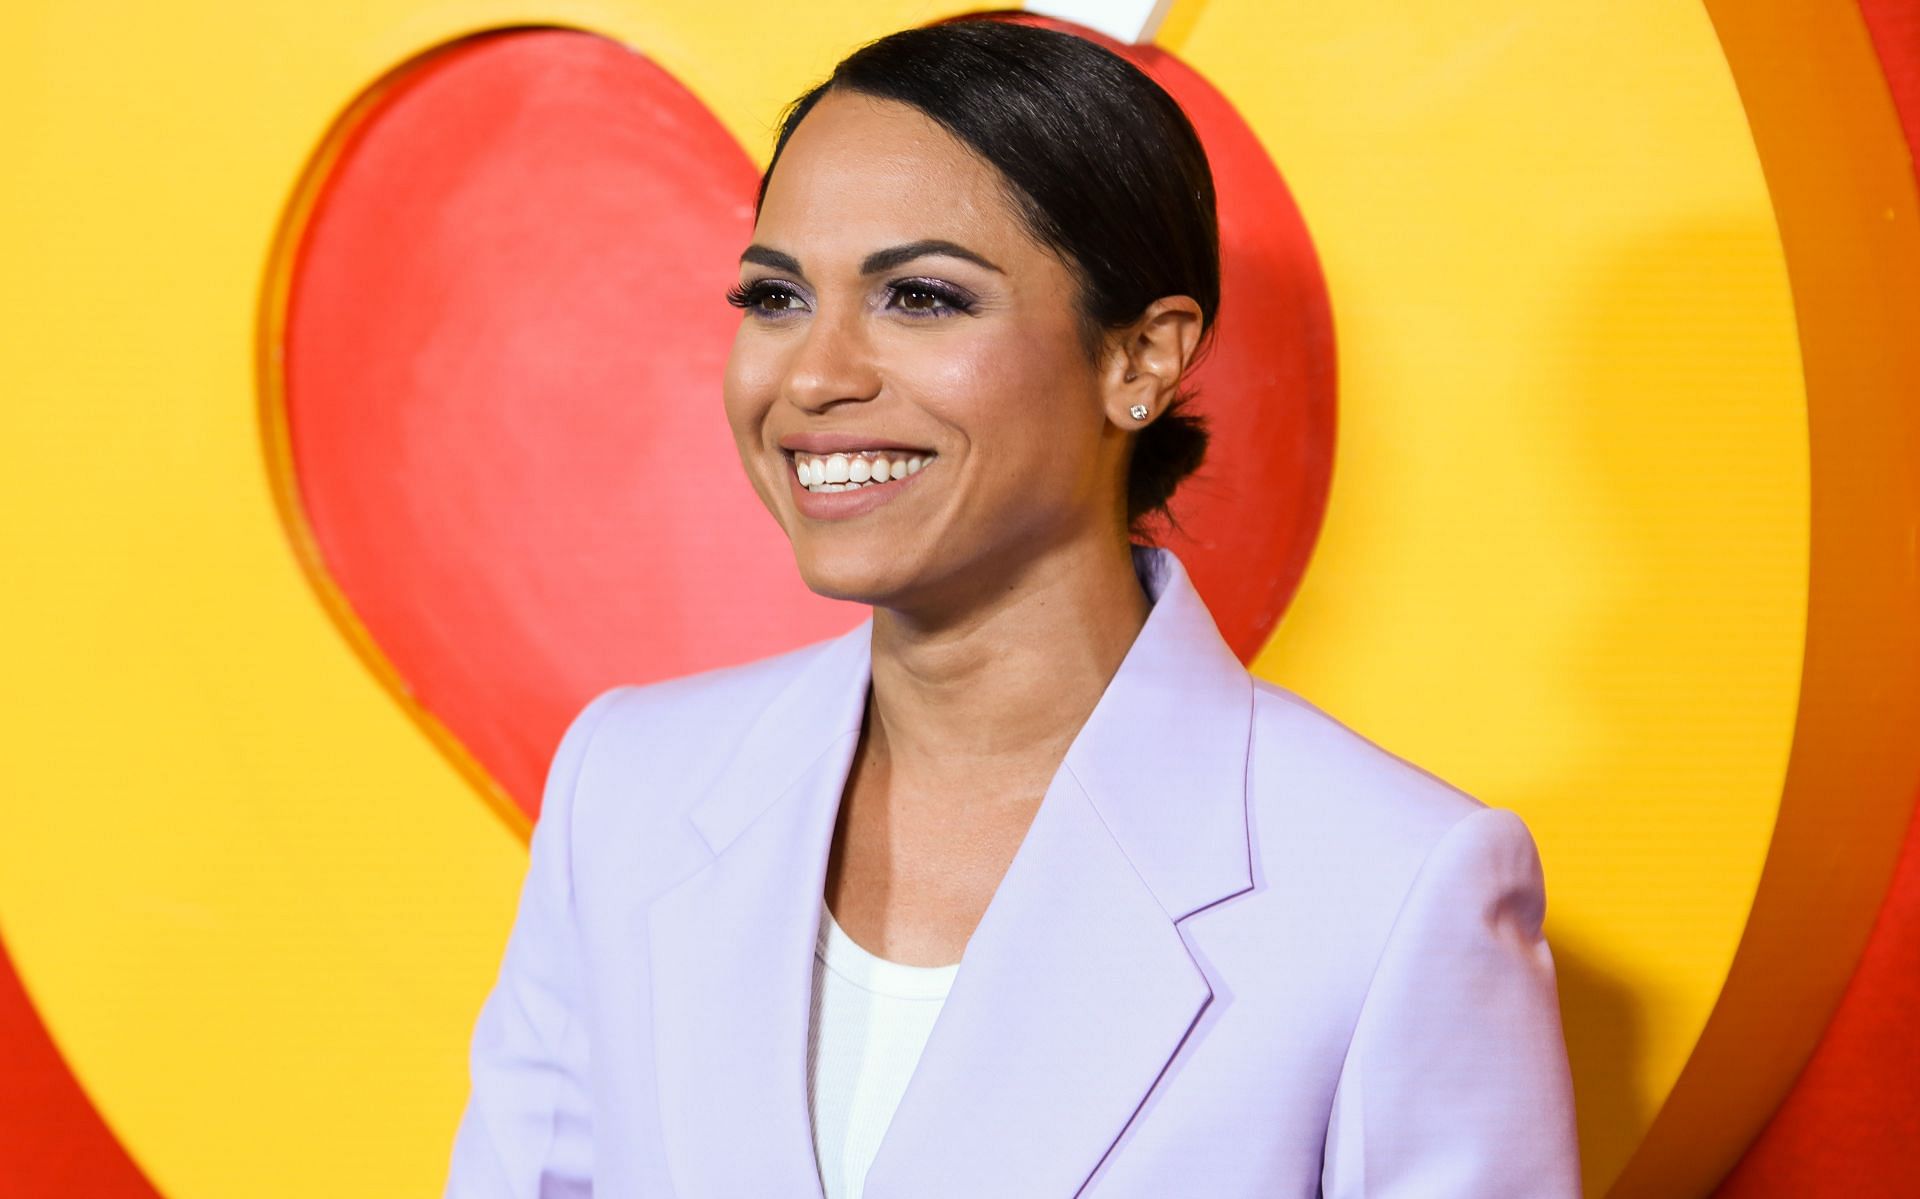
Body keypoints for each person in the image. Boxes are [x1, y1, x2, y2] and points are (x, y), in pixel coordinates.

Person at [445, 16, 1581, 1198]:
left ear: (1140, 357)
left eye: (923, 297)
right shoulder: (628, 788)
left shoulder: (1393, 886)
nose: (816, 373)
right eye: (776, 296)